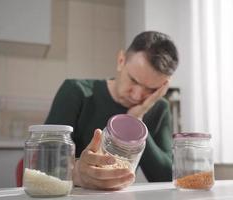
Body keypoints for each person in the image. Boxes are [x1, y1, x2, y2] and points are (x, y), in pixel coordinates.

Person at [45, 31, 179, 190]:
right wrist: (77, 172)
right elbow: (45, 162)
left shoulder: (159, 108)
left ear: (163, 87)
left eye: (151, 89)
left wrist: (137, 119)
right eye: (133, 80)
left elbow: (166, 177)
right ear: (121, 60)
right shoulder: (76, 92)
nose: (137, 95)